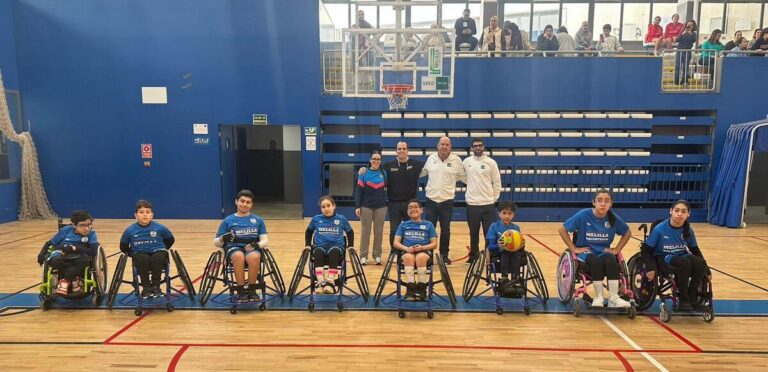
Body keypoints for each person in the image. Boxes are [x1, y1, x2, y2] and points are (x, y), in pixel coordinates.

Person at [558, 189, 632, 308]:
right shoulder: (583, 214)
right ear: (594, 202)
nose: (603, 204)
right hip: (586, 253)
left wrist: (616, 249)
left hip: (603, 252)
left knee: (611, 259)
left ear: (611, 204)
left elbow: (627, 232)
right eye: (599, 200)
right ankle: (599, 297)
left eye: (606, 201)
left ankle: (613, 298)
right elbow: (562, 230)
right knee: (595, 261)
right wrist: (573, 248)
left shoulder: (613, 218)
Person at [641, 200, 711, 311]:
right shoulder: (660, 229)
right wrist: (650, 267)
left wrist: (707, 270)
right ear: (671, 211)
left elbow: (695, 250)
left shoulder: (688, 230)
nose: (679, 214)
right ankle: (683, 299)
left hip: (681, 254)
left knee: (700, 263)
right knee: (685, 263)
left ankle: (692, 297)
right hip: (663, 257)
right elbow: (645, 250)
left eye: (683, 211)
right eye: (677, 211)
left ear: (688, 214)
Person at [214, 189, 269, 302]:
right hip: (234, 248)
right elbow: (216, 243)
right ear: (236, 201)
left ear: (251, 204)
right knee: (238, 256)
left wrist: (257, 245)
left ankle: (251, 290)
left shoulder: (258, 220)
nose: (244, 204)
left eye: (248, 202)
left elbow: (265, 240)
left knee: (254, 256)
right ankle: (241, 290)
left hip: (251, 247)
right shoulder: (227, 220)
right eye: (242, 201)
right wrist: (222, 238)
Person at [421, 136, 466, 264]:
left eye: (447, 144)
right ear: (438, 146)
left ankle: (444, 254)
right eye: (442, 144)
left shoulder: (456, 160)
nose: (444, 146)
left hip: (447, 200)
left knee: (445, 229)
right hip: (431, 199)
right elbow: (423, 172)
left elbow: (462, 176)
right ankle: (428, 254)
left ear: (450, 147)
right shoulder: (431, 158)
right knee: (429, 228)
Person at [119, 200, 175, 298]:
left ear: (152, 215)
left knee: (158, 257)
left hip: (157, 251)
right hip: (140, 253)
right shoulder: (130, 230)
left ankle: (156, 286)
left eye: (148, 212)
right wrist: (133, 254)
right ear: (135, 215)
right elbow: (123, 247)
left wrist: (162, 249)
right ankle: (146, 288)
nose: (145, 215)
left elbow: (170, 240)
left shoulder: (160, 227)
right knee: (142, 258)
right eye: (141, 212)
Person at [37, 210, 99, 296]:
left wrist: (75, 248)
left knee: (85, 261)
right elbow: (49, 243)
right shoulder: (65, 230)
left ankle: (65, 281)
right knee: (54, 261)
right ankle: (75, 281)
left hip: (79, 255)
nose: (87, 228)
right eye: (82, 225)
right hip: (61, 253)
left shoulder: (91, 234)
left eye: (89, 225)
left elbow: (93, 251)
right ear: (74, 225)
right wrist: (41, 254)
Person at [463, 138, 501, 265]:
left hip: (488, 203)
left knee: (489, 233)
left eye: (480, 145)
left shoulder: (491, 162)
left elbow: (497, 182)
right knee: (473, 232)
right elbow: (462, 177)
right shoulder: (466, 162)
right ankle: (473, 256)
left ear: (483, 147)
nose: (478, 148)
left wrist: (494, 198)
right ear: (472, 148)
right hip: (472, 203)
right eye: (475, 146)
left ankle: (490, 256)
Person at [305, 196, 354, 294]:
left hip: (336, 247)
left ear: (334, 206)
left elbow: (350, 232)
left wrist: (350, 245)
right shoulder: (316, 219)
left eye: (328, 206)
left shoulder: (341, 219)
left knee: (334, 251)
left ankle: (330, 281)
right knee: (318, 252)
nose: (326, 209)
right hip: (320, 246)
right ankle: (320, 281)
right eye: (323, 207)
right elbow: (309, 231)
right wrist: (308, 245)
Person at [393, 199, 438, 301]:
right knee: (408, 258)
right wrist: (406, 248)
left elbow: (434, 244)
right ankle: (410, 289)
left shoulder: (429, 225)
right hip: (407, 250)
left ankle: (421, 290)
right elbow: (396, 243)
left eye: (416, 207)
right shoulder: (403, 225)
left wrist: (422, 248)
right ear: (407, 211)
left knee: (420, 257)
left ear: (421, 210)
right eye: (410, 207)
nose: (413, 209)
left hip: (423, 250)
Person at [486, 201, 525, 297]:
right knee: (505, 253)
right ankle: (504, 279)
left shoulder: (516, 228)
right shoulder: (494, 226)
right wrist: (498, 245)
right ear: (499, 214)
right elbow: (490, 246)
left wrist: (522, 244)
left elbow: (520, 246)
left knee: (516, 254)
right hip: (499, 252)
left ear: (513, 215)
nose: (507, 216)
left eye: (509, 213)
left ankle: (515, 279)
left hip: (514, 252)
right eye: (504, 213)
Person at [355, 151, 387, 265]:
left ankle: (377, 255)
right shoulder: (363, 173)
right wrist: (357, 206)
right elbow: (358, 190)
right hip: (366, 206)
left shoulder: (384, 173)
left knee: (379, 232)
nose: (376, 161)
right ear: (370, 160)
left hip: (381, 206)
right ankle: (363, 256)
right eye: (374, 159)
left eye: (378, 159)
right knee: (365, 232)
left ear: (381, 161)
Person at [674, 20, 698, 85]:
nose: (689, 26)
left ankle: (684, 81)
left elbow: (693, 40)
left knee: (685, 67)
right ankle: (676, 81)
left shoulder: (693, 33)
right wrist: (682, 33)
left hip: (687, 51)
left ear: (693, 26)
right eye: (688, 25)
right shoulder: (682, 32)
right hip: (679, 51)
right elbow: (676, 40)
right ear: (686, 25)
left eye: (691, 25)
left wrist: (690, 33)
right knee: (677, 66)